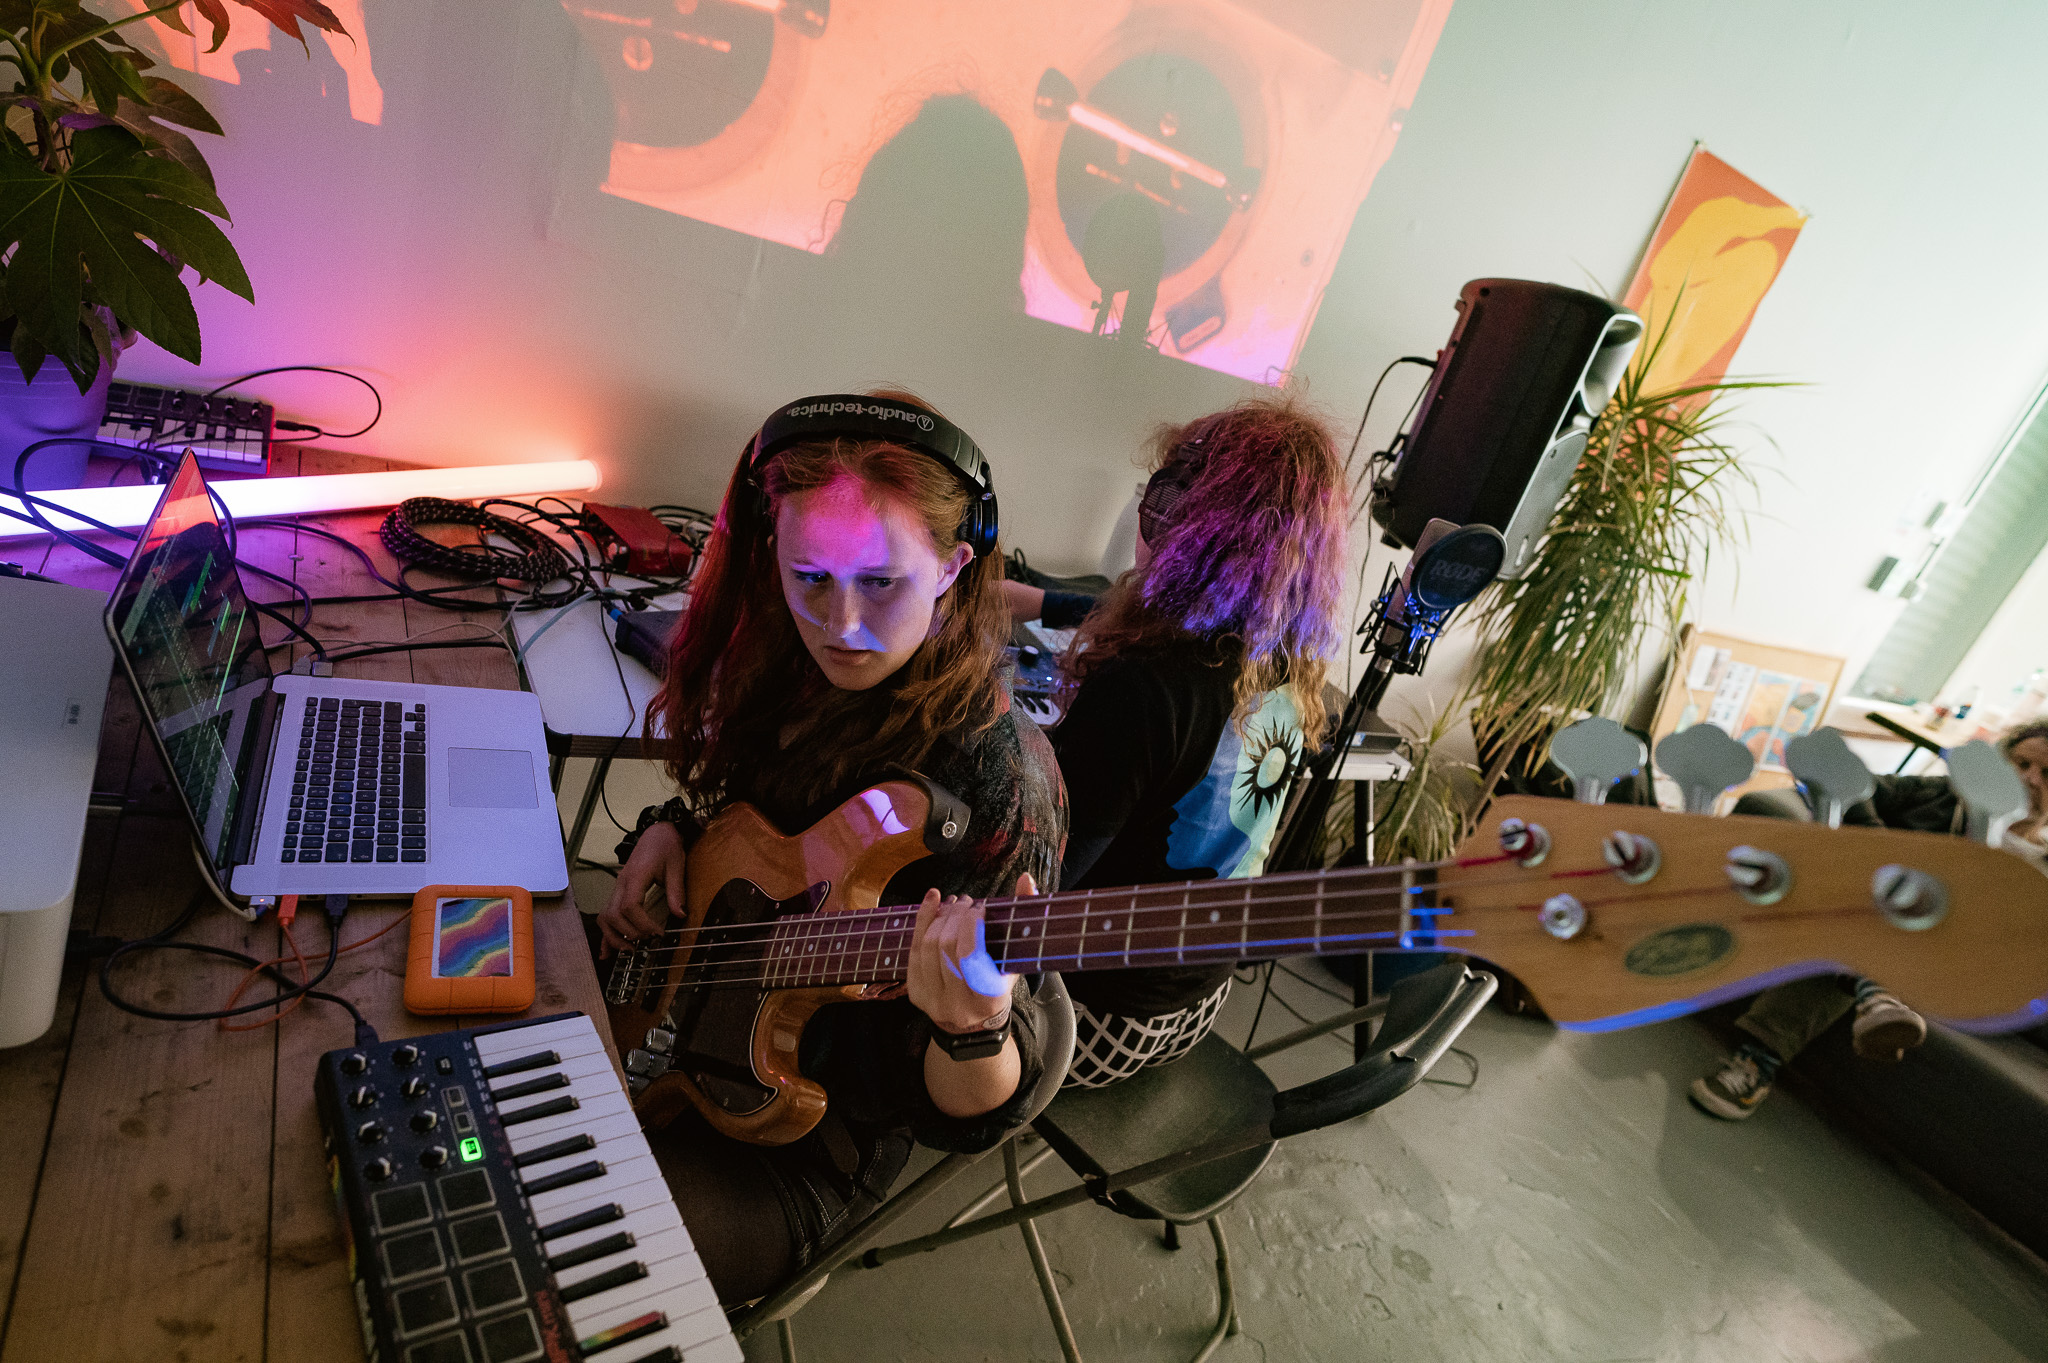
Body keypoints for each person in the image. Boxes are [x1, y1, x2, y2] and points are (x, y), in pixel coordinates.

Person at [595, 391, 1066, 1302]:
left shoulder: (999, 776)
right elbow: (755, 825)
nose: (839, 622)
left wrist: (973, 1028)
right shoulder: (789, 659)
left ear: (954, 567)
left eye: (881, 582)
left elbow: (980, 1116)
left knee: (565, 1266)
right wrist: (666, 835)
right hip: (671, 1004)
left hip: (801, 1141)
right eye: (808, 575)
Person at [1035, 395, 1347, 1087]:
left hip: (1091, 1018)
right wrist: (1029, 598)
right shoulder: (1282, 664)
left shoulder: (1143, 687)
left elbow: (1036, 883)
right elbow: (1116, 613)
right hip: (1196, 1003)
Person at [1690, 717, 2048, 1120]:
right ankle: (1872, 996)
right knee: (1868, 917)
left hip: (1954, 958)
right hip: (1877, 916)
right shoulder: (1945, 798)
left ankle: (1763, 1057)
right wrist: (1880, 848)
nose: (2031, 779)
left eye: (2047, 773)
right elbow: (1850, 786)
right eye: (2021, 764)